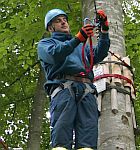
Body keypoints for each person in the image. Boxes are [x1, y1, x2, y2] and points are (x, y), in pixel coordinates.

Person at [37, 8, 110, 150]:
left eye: (64, 20)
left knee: (88, 140)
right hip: (63, 89)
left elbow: (99, 54)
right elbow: (55, 54)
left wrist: (104, 31)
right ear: (51, 28)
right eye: (58, 21)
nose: (64, 23)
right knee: (61, 137)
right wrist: (77, 39)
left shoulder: (81, 46)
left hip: (86, 91)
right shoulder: (45, 45)